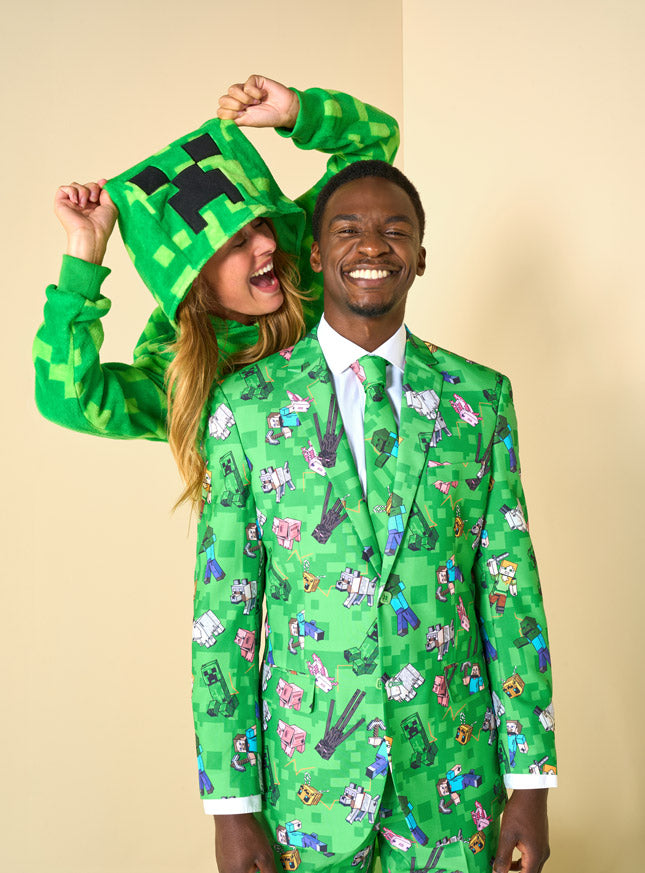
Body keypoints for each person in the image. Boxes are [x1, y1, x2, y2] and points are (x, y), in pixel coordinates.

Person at [194, 160, 557, 872]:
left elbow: (510, 594)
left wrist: (531, 783)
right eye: (347, 230)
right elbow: (224, 611)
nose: (372, 246)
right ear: (316, 254)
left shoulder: (478, 400)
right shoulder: (248, 407)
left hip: (453, 790)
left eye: (395, 230)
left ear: (420, 254)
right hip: (307, 793)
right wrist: (230, 808)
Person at [33, 75, 399, 504]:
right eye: (237, 243)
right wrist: (85, 253)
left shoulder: (305, 259)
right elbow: (68, 401)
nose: (266, 243)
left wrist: (298, 112)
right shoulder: (181, 374)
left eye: (261, 223)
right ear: (195, 282)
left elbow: (375, 149)